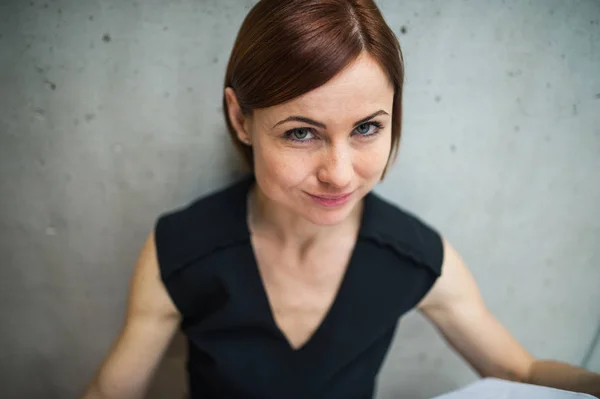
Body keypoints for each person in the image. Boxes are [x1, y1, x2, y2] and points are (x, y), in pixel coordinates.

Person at [82, 1, 600, 398]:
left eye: (368, 128)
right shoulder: (181, 250)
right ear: (241, 120)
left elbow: (519, 371)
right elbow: (112, 392)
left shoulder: (415, 257)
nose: (340, 174)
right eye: (301, 133)